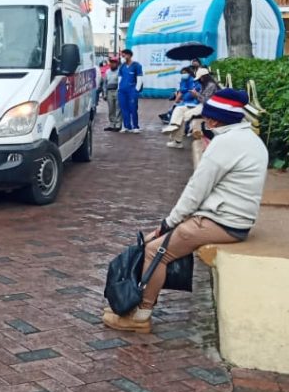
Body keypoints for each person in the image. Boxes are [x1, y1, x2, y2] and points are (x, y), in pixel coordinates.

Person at [103, 89, 267, 334]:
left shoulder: (225, 144)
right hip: (232, 218)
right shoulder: (248, 138)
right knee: (157, 242)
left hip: (222, 221)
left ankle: (141, 316)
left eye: (206, 117)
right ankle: (135, 306)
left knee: (154, 251)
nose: (203, 121)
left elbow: (195, 191)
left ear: (215, 119)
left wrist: (168, 223)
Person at [160, 67, 202, 148]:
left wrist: (194, 96)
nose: (183, 75)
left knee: (180, 113)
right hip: (187, 103)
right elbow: (182, 92)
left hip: (196, 104)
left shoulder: (196, 82)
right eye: (182, 73)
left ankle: (175, 134)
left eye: (185, 73)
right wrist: (177, 100)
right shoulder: (184, 81)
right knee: (178, 111)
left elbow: (196, 96)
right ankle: (175, 135)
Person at [117, 49, 143, 133]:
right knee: (124, 108)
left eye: (124, 55)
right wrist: (119, 88)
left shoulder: (136, 66)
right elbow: (119, 78)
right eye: (122, 56)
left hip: (132, 90)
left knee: (133, 108)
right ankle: (126, 126)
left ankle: (135, 126)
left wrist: (136, 90)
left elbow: (139, 79)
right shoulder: (122, 66)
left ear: (129, 55)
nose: (123, 57)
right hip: (122, 90)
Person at [101, 56, 122, 131]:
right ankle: (112, 124)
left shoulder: (120, 71)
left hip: (117, 91)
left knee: (118, 109)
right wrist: (104, 93)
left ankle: (118, 124)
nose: (113, 64)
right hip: (109, 91)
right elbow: (104, 83)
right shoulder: (107, 72)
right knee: (111, 109)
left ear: (117, 63)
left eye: (114, 63)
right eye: (111, 62)